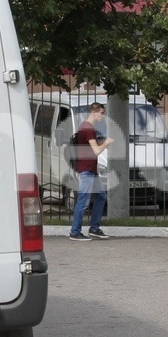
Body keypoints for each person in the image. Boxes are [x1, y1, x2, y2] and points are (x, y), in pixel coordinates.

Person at [69, 102, 114, 241]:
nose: (103, 115)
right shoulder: (88, 128)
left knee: (101, 197)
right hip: (87, 169)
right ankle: (75, 232)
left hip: (91, 170)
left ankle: (94, 228)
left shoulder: (85, 126)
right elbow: (96, 150)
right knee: (83, 201)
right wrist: (106, 143)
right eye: (101, 112)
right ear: (94, 112)